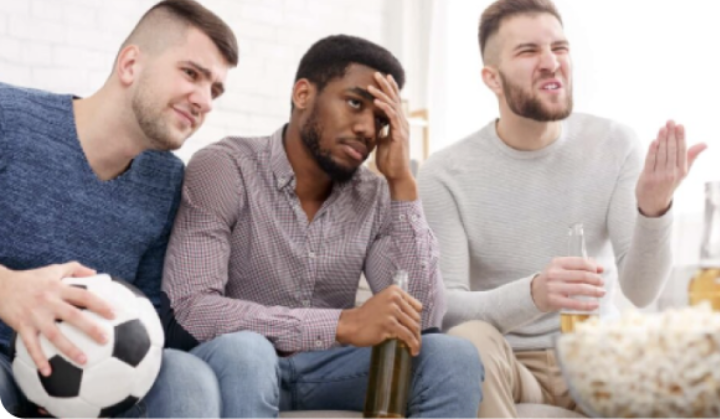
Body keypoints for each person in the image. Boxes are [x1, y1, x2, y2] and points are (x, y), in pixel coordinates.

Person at [161, 34, 484, 419]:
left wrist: (402, 184)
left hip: (330, 371)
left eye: (381, 120)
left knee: (453, 355)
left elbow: (424, 321)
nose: (368, 129)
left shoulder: (376, 195)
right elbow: (193, 309)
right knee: (248, 351)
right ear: (303, 94)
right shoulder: (226, 167)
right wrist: (341, 324)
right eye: (355, 103)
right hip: (238, 364)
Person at [417, 0, 706, 419]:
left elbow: (642, 292)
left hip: (595, 359)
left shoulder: (615, 144)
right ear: (492, 79)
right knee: (467, 340)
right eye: (528, 51)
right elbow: (447, 309)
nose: (551, 62)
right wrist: (533, 294)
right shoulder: (444, 173)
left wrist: (653, 209)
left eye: (560, 47)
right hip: (510, 363)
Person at [0, 0, 238, 418]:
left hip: (91, 377)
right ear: (130, 65)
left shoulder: (166, 179)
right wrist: (7, 288)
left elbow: (146, 310)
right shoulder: (9, 118)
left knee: (187, 376)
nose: (204, 100)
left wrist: (99, 386)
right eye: (191, 73)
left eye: (214, 89)